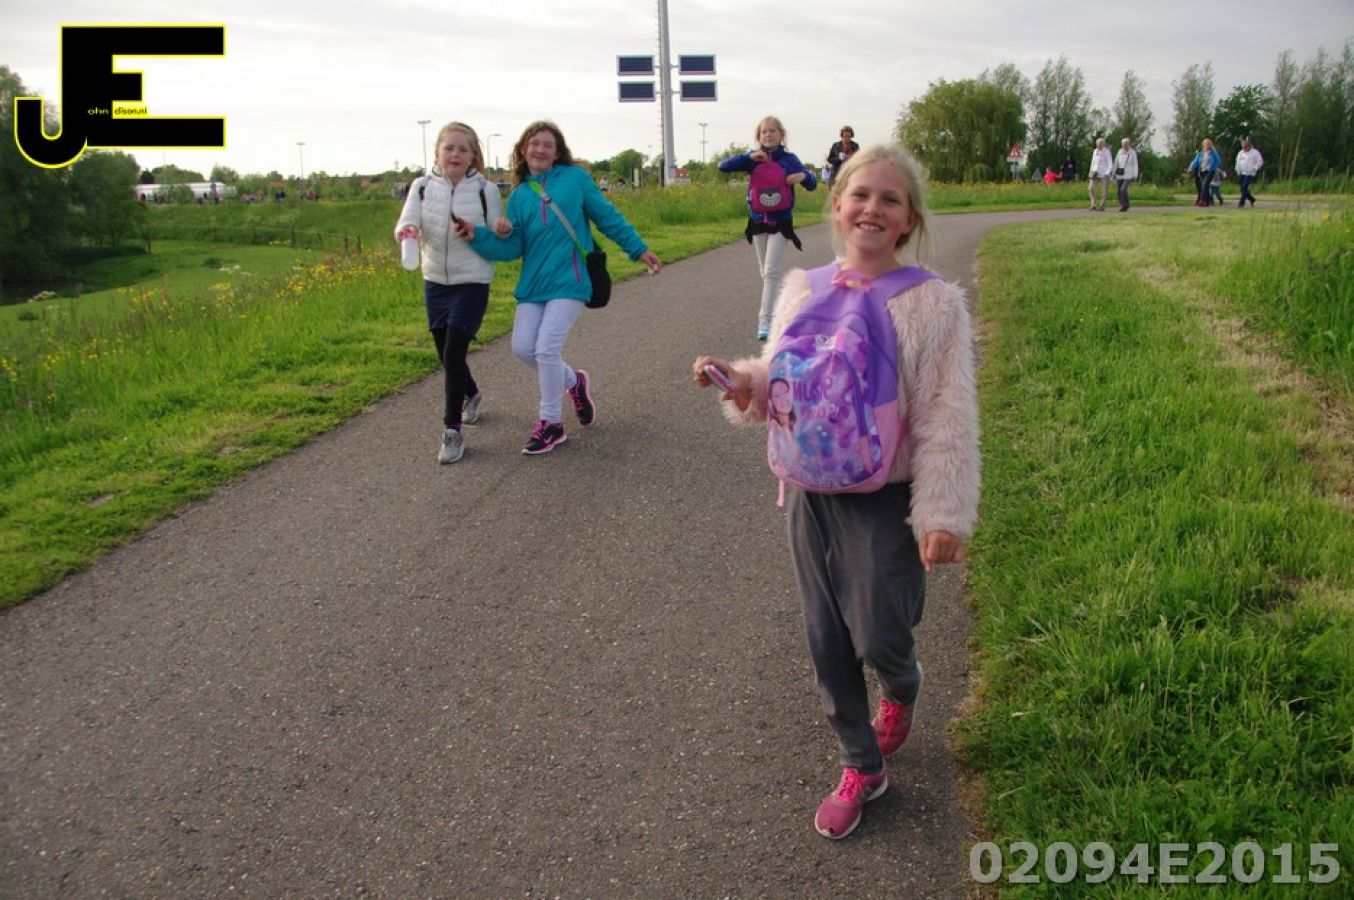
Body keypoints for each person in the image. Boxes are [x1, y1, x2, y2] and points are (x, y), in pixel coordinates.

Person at [692, 143, 980, 841]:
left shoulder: (932, 302)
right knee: (826, 638)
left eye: (890, 199)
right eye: (860, 195)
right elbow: (779, 373)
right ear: (838, 205)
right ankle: (861, 765)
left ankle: (902, 686)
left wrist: (942, 514)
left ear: (910, 219)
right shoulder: (804, 287)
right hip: (810, 490)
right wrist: (740, 380)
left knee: (881, 630)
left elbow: (947, 412)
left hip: (886, 493)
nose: (872, 209)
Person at [457, 120, 662, 455]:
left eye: (547, 145)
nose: (540, 149)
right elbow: (513, 248)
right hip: (534, 284)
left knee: (546, 349)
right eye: (534, 143)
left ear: (557, 152)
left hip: (571, 279)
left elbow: (607, 217)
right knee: (523, 348)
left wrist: (638, 249)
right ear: (524, 149)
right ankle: (573, 382)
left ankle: (551, 423)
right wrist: (477, 236)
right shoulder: (520, 195)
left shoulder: (575, 179)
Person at [395, 121, 507, 464]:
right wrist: (408, 232)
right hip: (435, 281)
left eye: (463, 149)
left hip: (472, 280)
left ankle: (452, 431)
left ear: (473, 155)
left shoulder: (486, 190)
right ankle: (471, 393)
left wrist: (500, 228)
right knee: (445, 354)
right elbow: (407, 220)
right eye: (449, 148)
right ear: (437, 153)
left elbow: (497, 231)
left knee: (455, 351)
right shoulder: (421, 187)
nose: (455, 154)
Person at [718, 116, 818, 341]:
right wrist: (748, 157)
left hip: (781, 222)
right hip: (757, 222)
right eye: (764, 132)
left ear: (781, 135)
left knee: (771, 272)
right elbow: (723, 167)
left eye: (772, 131)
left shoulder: (789, 160)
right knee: (765, 274)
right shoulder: (753, 159)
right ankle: (785, 308)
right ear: (759, 136)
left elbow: (812, 184)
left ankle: (765, 321)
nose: (768, 135)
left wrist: (803, 175)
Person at [1188, 138, 1222, 207]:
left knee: (1204, 185)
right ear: (1203, 145)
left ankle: (1202, 200)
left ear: (1210, 145)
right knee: (1204, 187)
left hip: (1210, 171)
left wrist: (1212, 167)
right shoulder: (1201, 153)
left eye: (1208, 144)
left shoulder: (1213, 153)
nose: (1206, 145)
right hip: (1202, 171)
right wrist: (1190, 168)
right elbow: (1195, 161)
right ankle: (1206, 202)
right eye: (1205, 144)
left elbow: (1218, 161)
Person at [1235, 136, 1264, 207]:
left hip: (1250, 173)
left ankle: (1241, 203)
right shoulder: (1240, 153)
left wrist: (1255, 168)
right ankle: (1251, 199)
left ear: (1249, 145)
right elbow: (1237, 162)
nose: (1244, 147)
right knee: (1242, 189)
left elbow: (1260, 161)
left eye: (1246, 146)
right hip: (1241, 173)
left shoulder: (1255, 152)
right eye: (1243, 146)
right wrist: (1238, 170)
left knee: (1244, 187)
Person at [1088, 138, 1114, 210]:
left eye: (1100, 144)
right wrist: (1091, 171)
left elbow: (1110, 163)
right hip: (1095, 173)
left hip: (1104, 174)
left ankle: (1102, 205)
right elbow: (1092, 162)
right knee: (1091, 188)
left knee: (1104, 190)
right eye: (1098, 144)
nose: (1099, 145)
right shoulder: (1095, 151)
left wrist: (1107, 172)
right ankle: (1093, 204)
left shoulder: (1107, 152)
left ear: (1103, 144)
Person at [1114, 137, 1140, 212]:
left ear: (1129, 144)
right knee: (1119, 190)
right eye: (1123, 144)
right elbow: (1116, 162)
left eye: (1126, 144)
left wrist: (1135, 174)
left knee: (1123, 189)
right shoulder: (1119, 151)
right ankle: (1123, 205)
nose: (1124, 146)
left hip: (1128, 174)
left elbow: (1135, 163)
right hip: (1120, 173)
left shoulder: (1132, 152)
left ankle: (1126, 204)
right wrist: (1113, 172)